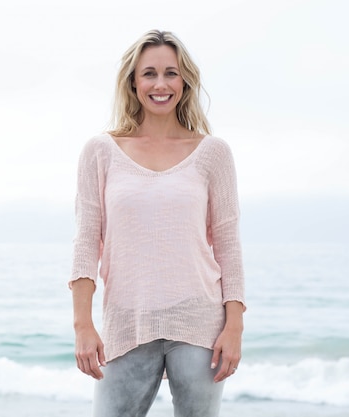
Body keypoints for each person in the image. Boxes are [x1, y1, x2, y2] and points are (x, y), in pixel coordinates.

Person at [69, 29, 246, 417]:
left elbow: (228, 246)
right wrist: (83, 324)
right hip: (127, 322)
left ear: (185, 81)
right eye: (149, 73)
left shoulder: (212, 153)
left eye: (171, 73)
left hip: (199, 323)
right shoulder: (101, 152)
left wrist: (234, 328)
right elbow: (86, 242)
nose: (161, 84)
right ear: (133, 82)